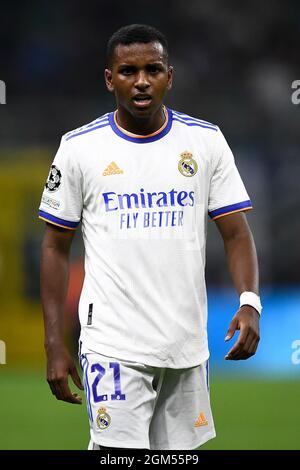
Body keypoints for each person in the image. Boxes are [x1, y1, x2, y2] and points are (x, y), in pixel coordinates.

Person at [39, 24, 261, 451]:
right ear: (110, 79)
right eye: (128, 71)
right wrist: (53, 342)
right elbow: (54, 245)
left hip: (186, 346)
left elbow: (236, 234)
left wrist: (249, 302)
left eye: (152, 69)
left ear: (169, 76)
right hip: (112, 342)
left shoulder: (205, 141)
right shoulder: (79, 148)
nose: (141, 81)